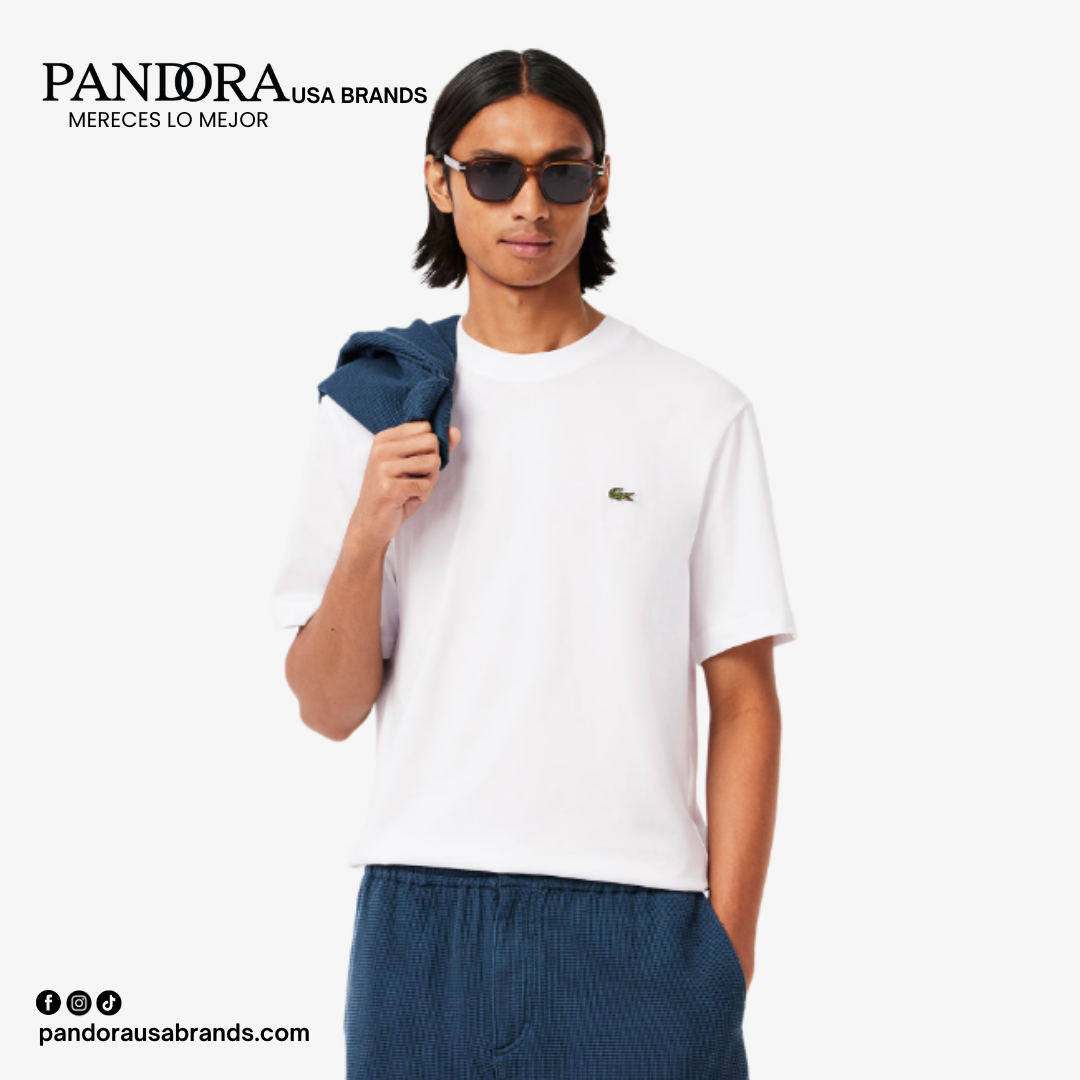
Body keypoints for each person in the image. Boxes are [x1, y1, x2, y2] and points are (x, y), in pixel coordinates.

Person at [272, 47, 797, 1080]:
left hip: (642, 922)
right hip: (421, 919)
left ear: (599, 185)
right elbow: (326, 709)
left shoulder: (697, 411)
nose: (530, 205)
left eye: (562, 172)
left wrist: (726, 959)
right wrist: (370, 529)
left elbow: (744, 698)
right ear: (439, 181)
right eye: (493, 172)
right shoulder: (377, 408)